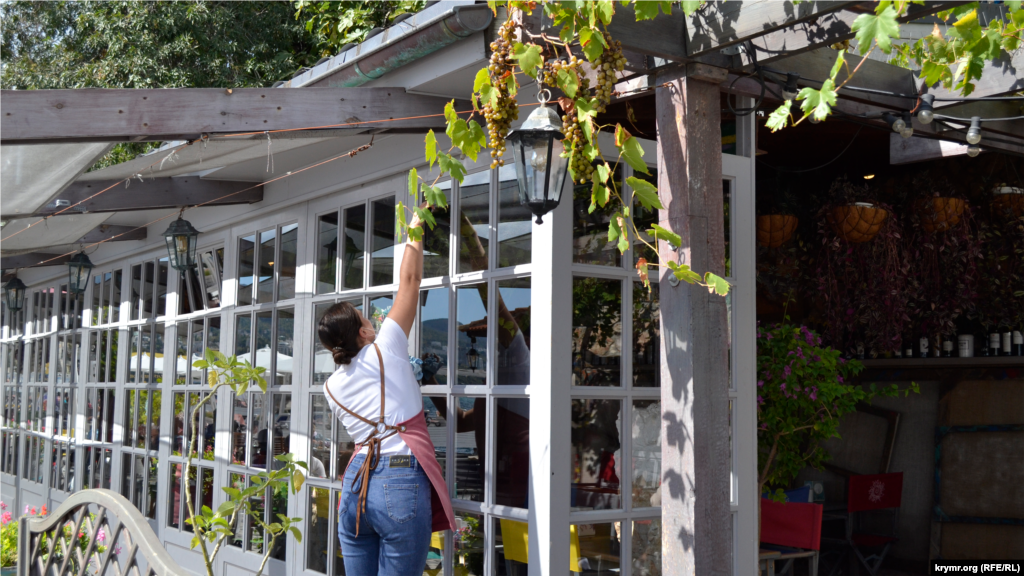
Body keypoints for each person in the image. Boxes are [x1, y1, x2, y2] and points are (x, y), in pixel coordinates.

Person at [319, 208, 455, 576]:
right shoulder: (386, 348)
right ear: (363, 333)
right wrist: (415, 230)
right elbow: (409, 281)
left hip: (357, 481)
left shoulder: (330, 387)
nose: (374, 321)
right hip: (399, 478)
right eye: (367, 319)